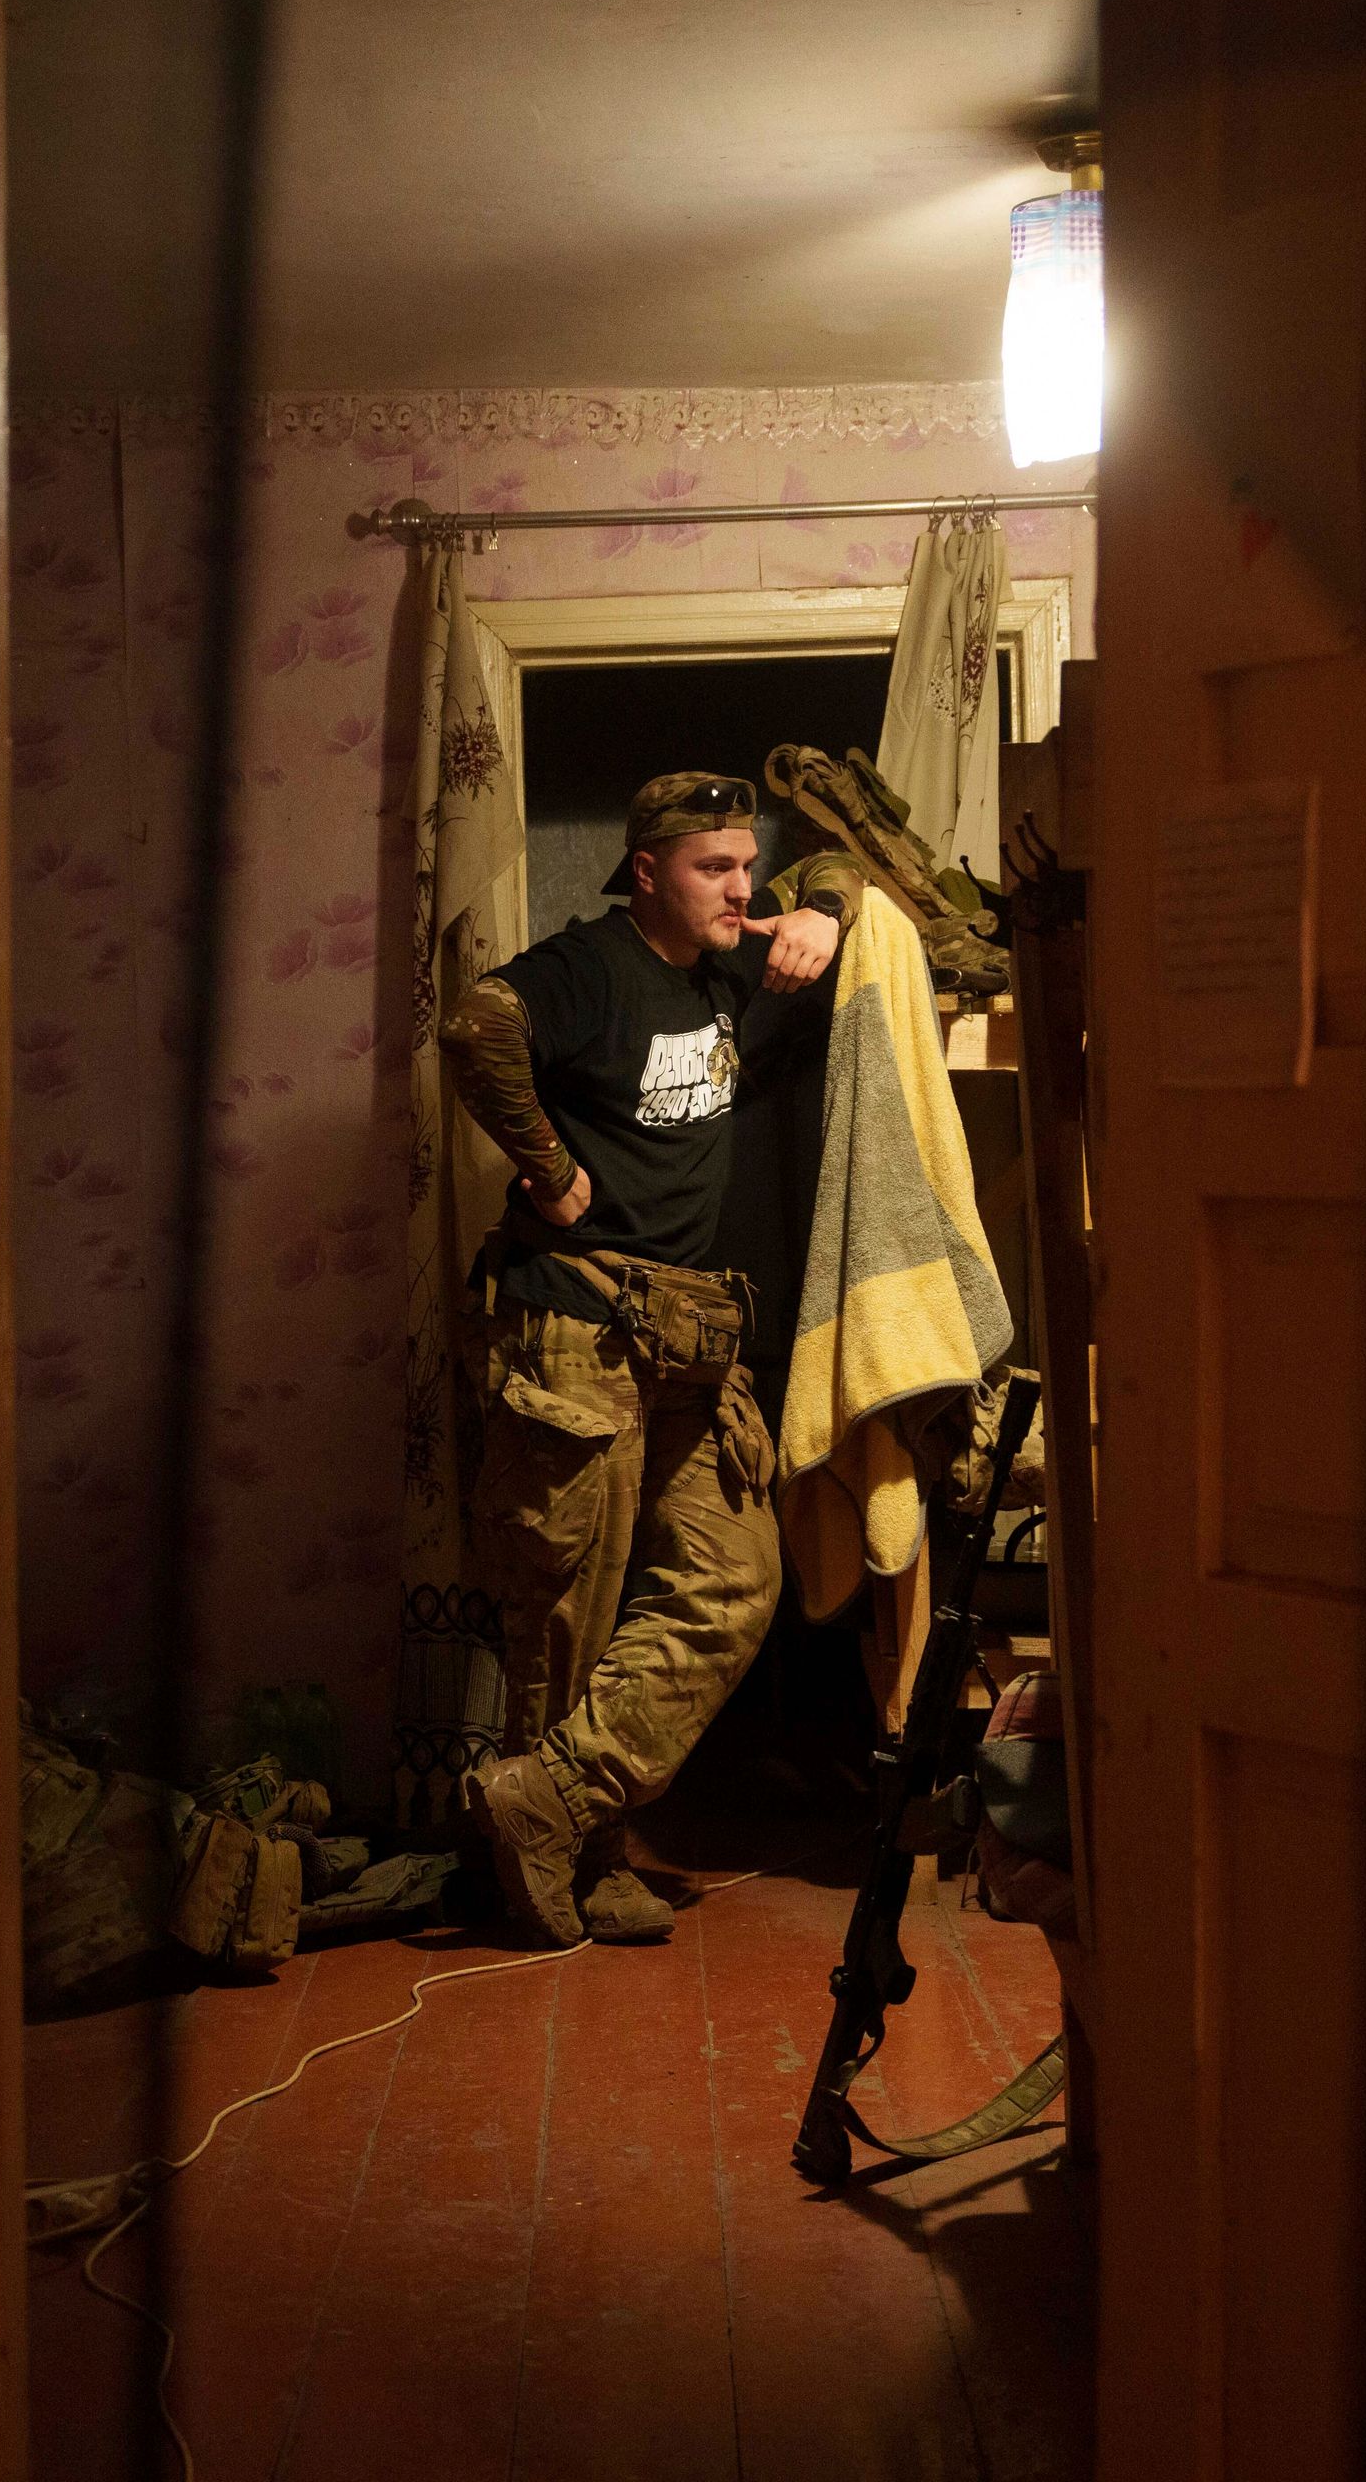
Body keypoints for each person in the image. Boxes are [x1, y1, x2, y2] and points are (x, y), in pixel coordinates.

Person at [435, 770, 861, 1944]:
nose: (740, 886)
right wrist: (549, 1168)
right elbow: (475, 1023)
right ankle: (555, 1871)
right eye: (711, 868)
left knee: (733, 1579)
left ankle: (553, 1808)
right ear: (645, 874)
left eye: (745, 863)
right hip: (575, 1322)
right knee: (569, 1603)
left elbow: (840, 878)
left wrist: (821, 906)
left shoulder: (731, 960)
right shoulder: (590, 966)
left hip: (687, 1331)